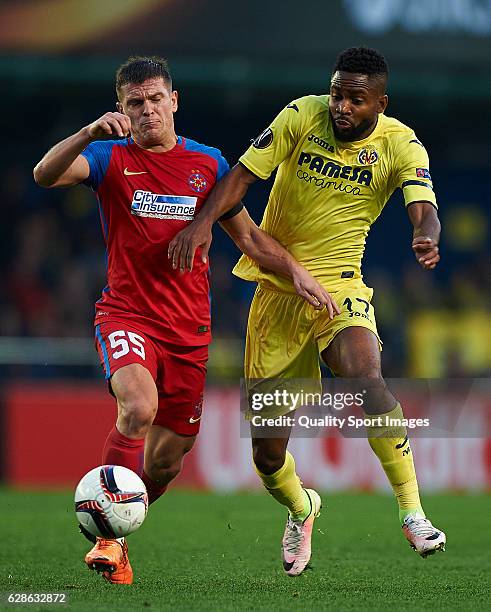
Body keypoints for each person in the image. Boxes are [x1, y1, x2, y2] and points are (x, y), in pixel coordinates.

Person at [33, 56, 339, 585]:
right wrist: (86, 132)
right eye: (135, 103)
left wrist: (299, 273)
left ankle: (117, 525)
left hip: (188, 333)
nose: (147, 110)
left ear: (174, 101)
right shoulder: (109, 157)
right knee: (138, 405)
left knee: (167, 463)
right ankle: (108, 539)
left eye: (155, 99)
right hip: (127, 315)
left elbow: (249, 239)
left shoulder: (208, 165)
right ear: (122, 109)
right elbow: (45, 175)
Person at [169, 47, 446, 576]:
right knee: (268, 457)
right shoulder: (300, 115)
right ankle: (303, 507)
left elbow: (424, 205)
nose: (341, 105)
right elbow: (241, 179)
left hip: (340, 284)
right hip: (276, 291)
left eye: (355, 99)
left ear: (380, 104)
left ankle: (413, 511)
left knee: (368, 378)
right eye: (337, 93)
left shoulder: (402, 144)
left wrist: (425, 234)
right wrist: (205, 221)